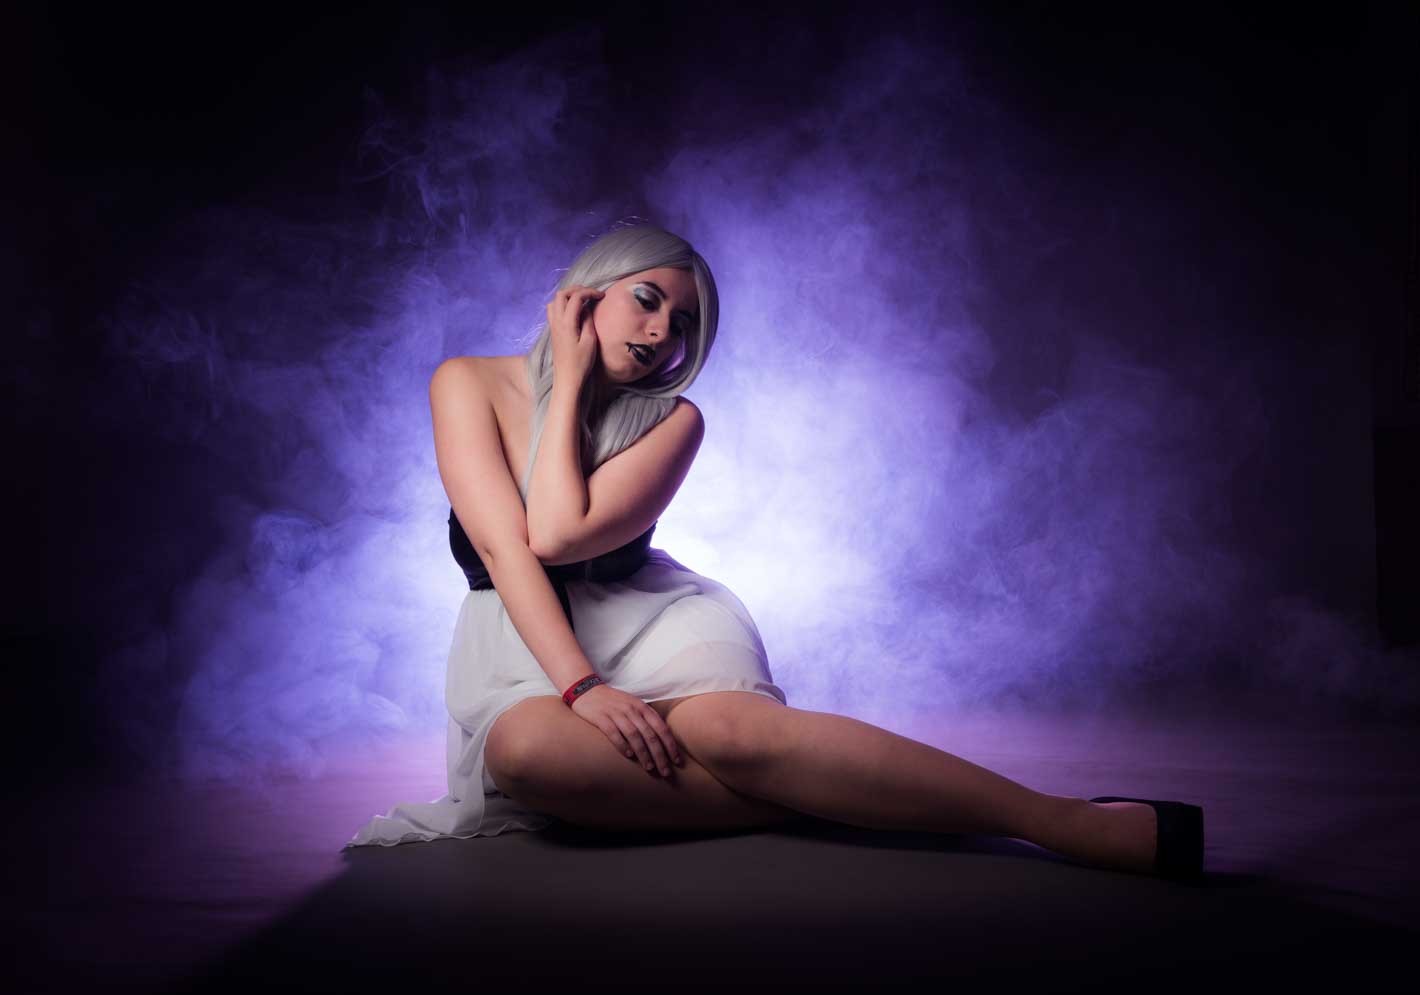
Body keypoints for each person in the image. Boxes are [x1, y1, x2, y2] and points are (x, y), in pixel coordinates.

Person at [346, 222, 1204, 881]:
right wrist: (582, 688)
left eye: (683, 323)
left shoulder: (675, 421)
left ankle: (1062, 821)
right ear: (585, 291)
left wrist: (571, 383)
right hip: (526, 637)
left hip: (648, 621)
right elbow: (511, 550)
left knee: (732, 732)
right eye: (646, 298)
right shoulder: (466, 383)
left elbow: (563, 532)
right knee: (528, 758)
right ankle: (830, 800)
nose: (662, 332)